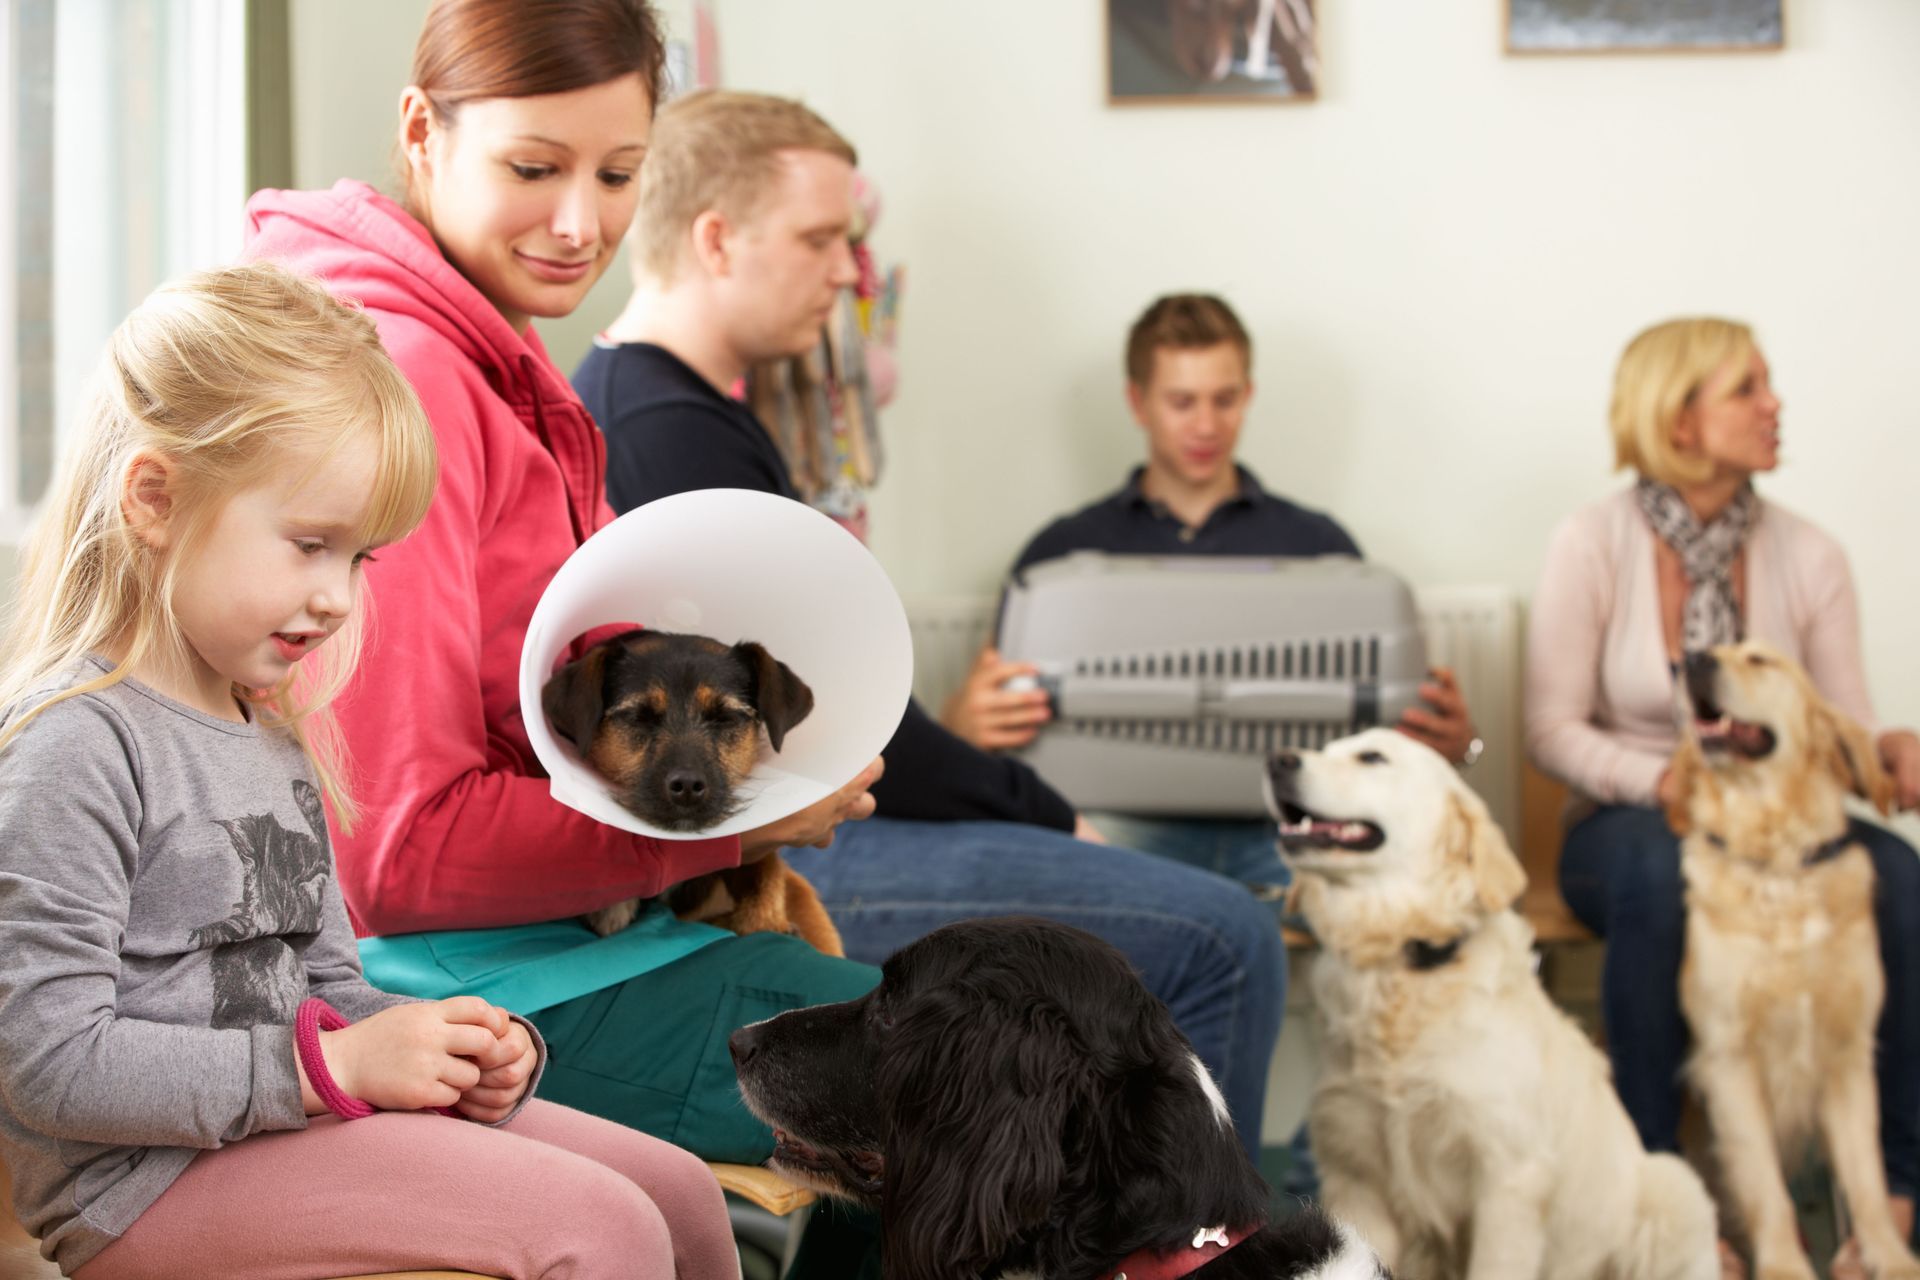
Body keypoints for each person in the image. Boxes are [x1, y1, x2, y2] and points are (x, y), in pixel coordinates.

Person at [242, 0, 885, 1202]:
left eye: (620, 171)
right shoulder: (415, 379)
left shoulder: (501, 360)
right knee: (1031, 1082)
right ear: (421, 131)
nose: (580, 222)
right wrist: (741, 823)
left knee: (1008, 1054)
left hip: (553, 950)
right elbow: (396, 856)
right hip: (451, 995)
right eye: (533, 167)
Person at [574, 90, 1287, 1162]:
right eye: (821, 239)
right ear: (716, 239)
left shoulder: (679, 412)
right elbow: (859, 738)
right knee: (1227, 937)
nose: (849, 272)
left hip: (828, 814)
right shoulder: (670, 434)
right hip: (807, 841)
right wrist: (1051, 813)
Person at [0, 264, 739, 1279]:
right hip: (139, 1183)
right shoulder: (73, 743)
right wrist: (331, 1065)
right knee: (604, 1229)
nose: (339, 597)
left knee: (680, 1195)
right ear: (156, 499)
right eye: (311, 544)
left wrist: (445, 1042)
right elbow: (47, 1063)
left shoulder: (270, 734)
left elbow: (329, 987)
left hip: (282, 1120)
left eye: (359, 560)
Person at [1525, 315, 1920, 1272]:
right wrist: (1662, 779)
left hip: (1777, 821)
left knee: (1902, 879)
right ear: (1680, 416)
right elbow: (1549, 729)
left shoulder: (1810, 554)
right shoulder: (1592, 541)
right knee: (1661, 876)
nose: (1774, 404)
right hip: (1627, 814)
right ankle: (1667, 1203)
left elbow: (1838, 728)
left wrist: (1887, 752)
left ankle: (1896, 1206)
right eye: (1749, 387)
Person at [943, 293, 1480, 893]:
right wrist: (961, 723)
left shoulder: (1320, 548)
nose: (1206, 425)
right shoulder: (1062, 555)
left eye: (1225, 400)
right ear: (1137, 402)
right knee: (1061, 882)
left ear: (1248, 396)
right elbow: (984, 717)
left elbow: (1376, 750)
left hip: (1287, 830)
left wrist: (1458, 746)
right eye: (1182, 402)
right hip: (1121, 827)